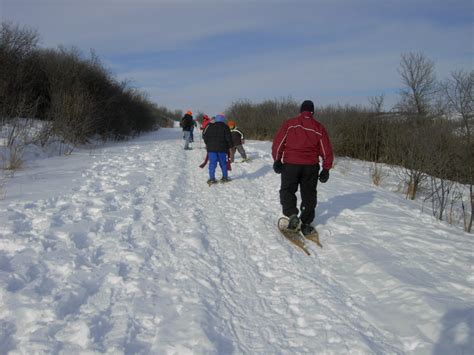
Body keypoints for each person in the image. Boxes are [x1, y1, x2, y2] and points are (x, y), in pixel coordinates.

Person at [271, 100, 334, 236]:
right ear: (312, 112)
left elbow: (279, 142)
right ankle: (305, 222)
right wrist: (326, 168)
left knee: (287, 190)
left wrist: (277, 159)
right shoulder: (319, 127)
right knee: (309, 194)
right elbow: (326, 149)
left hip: (291, 165)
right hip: (310, 167)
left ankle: (292, 214)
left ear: (300, 110)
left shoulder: (290, 124)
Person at [203, 114, 234, 184]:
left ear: (216, 119)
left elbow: (205, 136)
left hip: (211, 149)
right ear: (223, 119)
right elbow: (229, 138)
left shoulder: (209, 126)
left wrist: (207, 143)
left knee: (212, 163)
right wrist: (231, 147)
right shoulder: (225, 127)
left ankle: (212, 179)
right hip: (222, 149)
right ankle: (225, 177)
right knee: (223, 163)